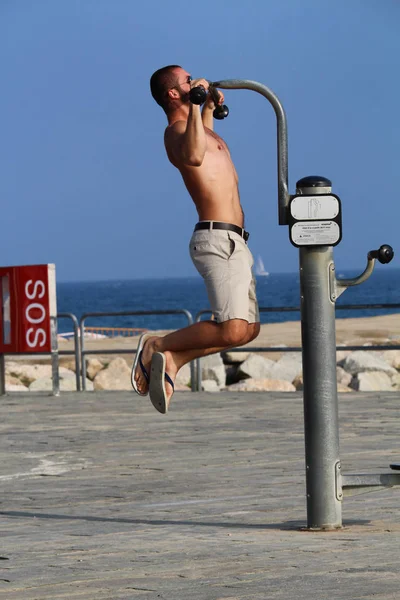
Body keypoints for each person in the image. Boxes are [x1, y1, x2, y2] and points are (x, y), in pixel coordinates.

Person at [132, 65, 260, 413]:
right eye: (187, 81)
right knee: (232, 329)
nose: (194, 81)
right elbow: (193, 154)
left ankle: (173, 361)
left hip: (237, 242)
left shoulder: (197, 128)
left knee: (248, 331)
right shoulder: (174, 133)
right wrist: (197, 103)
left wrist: (207, 106)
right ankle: (156, 345)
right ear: (173, 93)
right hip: (216, 240)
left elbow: (202, 136)